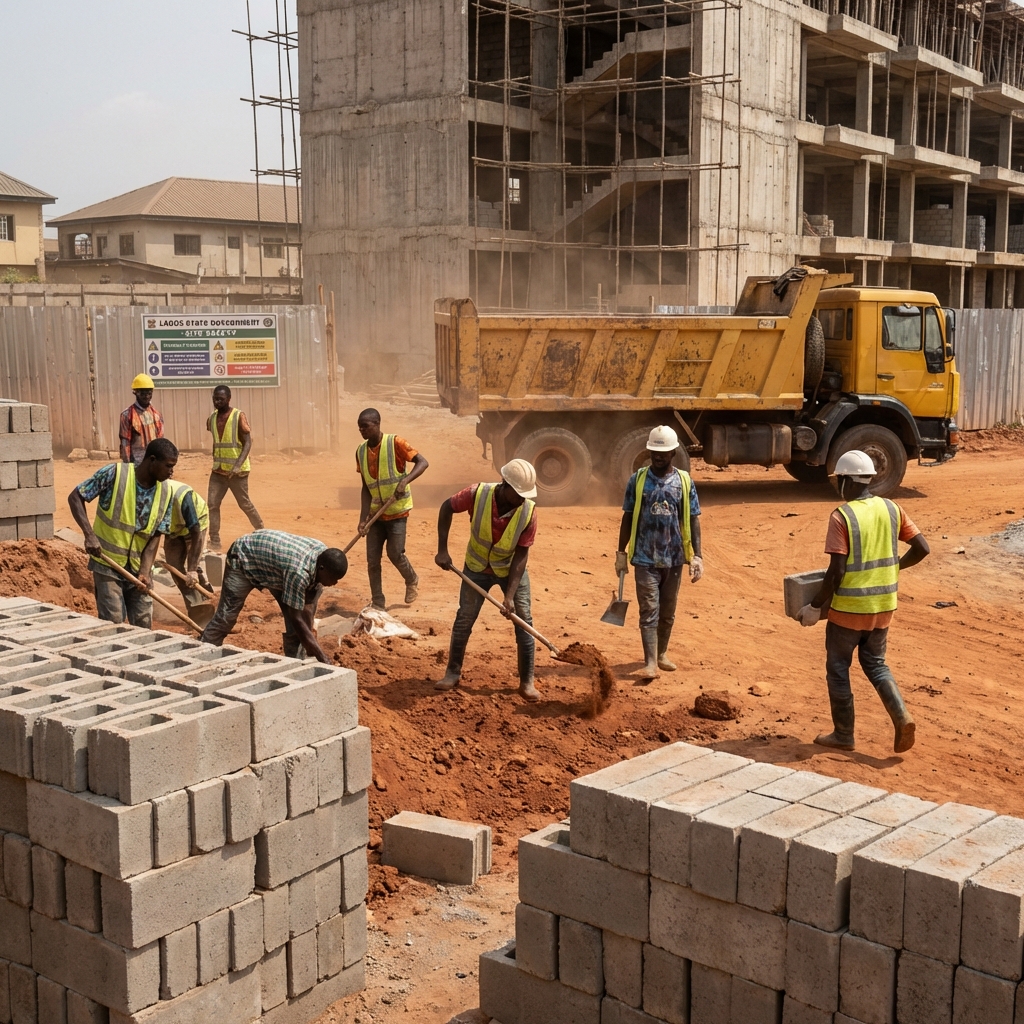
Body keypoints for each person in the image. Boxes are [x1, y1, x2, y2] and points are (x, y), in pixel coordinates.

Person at [798, 449, 929, 753]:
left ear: (847, 481)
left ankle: (844, 734)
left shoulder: (842, 516)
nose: (836, 487)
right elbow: (922, 547)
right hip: (884, 607)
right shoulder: (892, 509)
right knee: (876, 664)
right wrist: (896, 567)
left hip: (849, 610)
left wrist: (815, 606)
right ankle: (901, 716)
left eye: (838, 481)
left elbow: (837, 570)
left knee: (838, 667)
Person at [434, 459, 540, 701]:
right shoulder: (477, 494)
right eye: (518, 493)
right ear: (505, 485)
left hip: (510, 570)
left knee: (524, 622)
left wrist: (510, 595)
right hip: (477, 566)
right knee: (464, 619)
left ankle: (527, 681)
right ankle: (452, 672)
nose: (523, 498)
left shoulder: (529, 512)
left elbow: (522, 554)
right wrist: (442, 549)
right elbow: (446, 507)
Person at [615, 425, 704, 681]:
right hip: (644, 558)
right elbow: (627, 516)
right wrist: (621, 552)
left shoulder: (684, 482)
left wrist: (697, 555)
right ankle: (650, 662)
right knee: (649, 610)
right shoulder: (638, 480)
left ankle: (662, 653)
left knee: (668, 611)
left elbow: (694, 519)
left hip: (674, 558)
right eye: (654, 451)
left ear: (674, 452)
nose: (658, 456)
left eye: (663, 452)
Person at [68, 438, 178, 627]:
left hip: (138, 569)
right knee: (114, 621)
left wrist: (145, 571)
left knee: (143, 623)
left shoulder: (166, 493)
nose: (171, 472)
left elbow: (155, 536)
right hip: (107, 563)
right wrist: (89, 535)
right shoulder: (115, 474)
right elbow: (76, 496)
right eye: (168, 466)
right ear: (152, 460)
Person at [200, 530, 348, 662]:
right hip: (243, 558)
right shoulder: (298, 573)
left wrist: (310, 644)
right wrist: (321, 656)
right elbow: (296, 618)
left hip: (275, 570)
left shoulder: (321, 556)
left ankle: (294, 664)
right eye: (334, 579)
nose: (335, 583)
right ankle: (202, 654)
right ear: (322, 568)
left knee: (298, 630)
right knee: (226, 617)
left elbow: (307, 607)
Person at [356, 408, 429, 608]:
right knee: (372, 561)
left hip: (397, 512)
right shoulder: (361, 451)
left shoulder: (396, 443)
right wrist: (363, 519)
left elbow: (423, 463)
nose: (362, 431)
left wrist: (405, 480)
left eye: (366, 427)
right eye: (359, 428)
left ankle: (411, 579)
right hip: (375, 516)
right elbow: (365, 487)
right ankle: (378, 601)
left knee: (395, 553)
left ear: (377, 424)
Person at [206, 386, 265, 550]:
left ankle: (262, 531)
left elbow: (248, 442)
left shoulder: (238, 416)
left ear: (229, 399)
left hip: (237, 473)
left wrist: (237, 465)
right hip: (218, 471)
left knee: (244, 504)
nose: (217, 402)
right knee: (212, 505)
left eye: (221, 399)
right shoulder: (211, 419)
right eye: (215, 398)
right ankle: (215, 540)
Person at [163, 481, 212, 621]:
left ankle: (209, 600)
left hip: (197, 522)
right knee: (174, 568)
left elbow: (195, 531)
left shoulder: (182, 496)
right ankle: (196, 608)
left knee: (195, 566)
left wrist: (191, 570)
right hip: (174, 529)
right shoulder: (147, 496)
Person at [119, 374, 164, 466]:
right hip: (136, 464)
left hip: (153, 463)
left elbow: (160, 441)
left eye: (149, 393)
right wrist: (127, 466)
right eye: (142, 393)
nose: (146, 396)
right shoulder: (127, 415)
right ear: (135, 392)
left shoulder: (157, 415)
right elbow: (125, 442)